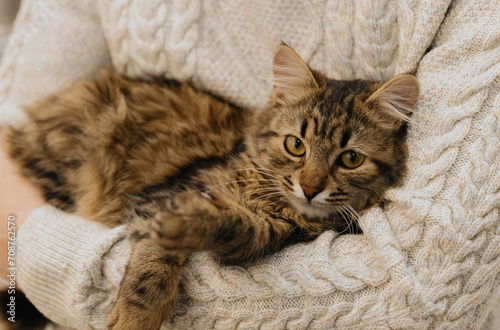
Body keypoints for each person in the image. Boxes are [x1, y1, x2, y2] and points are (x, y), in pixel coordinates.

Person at [1, 0, 499, 329]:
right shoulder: (245, 174)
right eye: (297, 149)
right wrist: (18, 240)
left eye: (349, 159)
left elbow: (424, 293)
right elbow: (159, 219)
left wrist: (26, 242)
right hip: (88, 143)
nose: (311, 181)